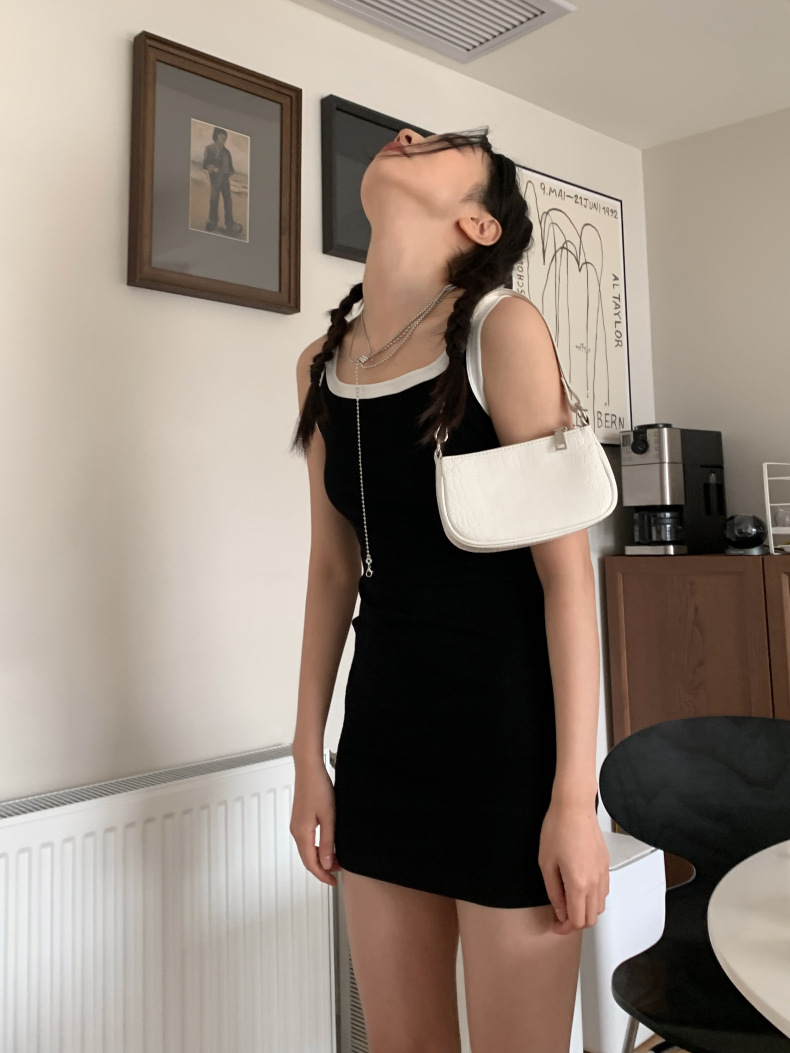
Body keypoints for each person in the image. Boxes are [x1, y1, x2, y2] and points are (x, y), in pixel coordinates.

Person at [290, 126, 610, 1053]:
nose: (404, 137)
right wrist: (308, 754)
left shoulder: (502, 330)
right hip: (382, 745)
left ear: (478, 223)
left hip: (509, 752)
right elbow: (331, 569)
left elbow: (566, 580)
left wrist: (573, 799)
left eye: (438, 144)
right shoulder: (318, 366)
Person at [202, 127, 241, 235]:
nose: (223, 139)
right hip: (215, 180)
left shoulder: (227, 152)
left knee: (228, 201)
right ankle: (212, 221)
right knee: (214, 200)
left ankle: (230, 223)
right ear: (216, 137)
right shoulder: (209, 148)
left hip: (225, 180)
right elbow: (206, 164)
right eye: (221, 136)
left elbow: (231, 169)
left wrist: (228, 173)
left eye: (225, 137)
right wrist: (214, 169)